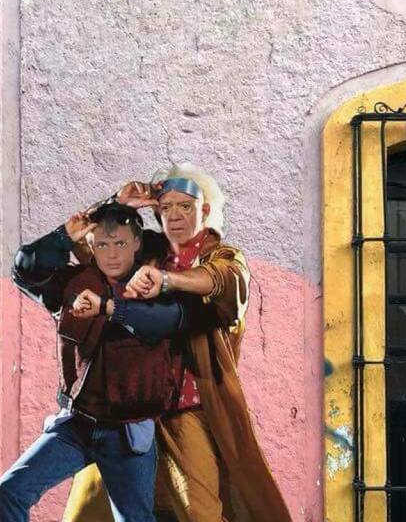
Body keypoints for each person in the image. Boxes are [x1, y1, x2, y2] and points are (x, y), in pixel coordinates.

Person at [64, 164, 292, 522]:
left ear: (204, 210)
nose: (174, 215)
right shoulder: (146, 252)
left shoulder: (222, 257)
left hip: (186, 407)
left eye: (185, 206)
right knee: (93, 511)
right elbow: (93, 248)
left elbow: (221, 280)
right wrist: (116, 203)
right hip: (130, 404)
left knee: (200, 511)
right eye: (166, 207)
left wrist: (167, 280)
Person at [0, 202, 185, 522]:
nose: (112, 254)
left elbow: (167, 319)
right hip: (77, 425)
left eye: (120, 243)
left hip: (127, 433)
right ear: (92, 246)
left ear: (137, 243)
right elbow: (24, 270)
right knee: (10, 490)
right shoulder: (74, 282)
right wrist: (64, 236)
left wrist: (108, 307)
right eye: (103, 244)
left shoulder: (155, 285)